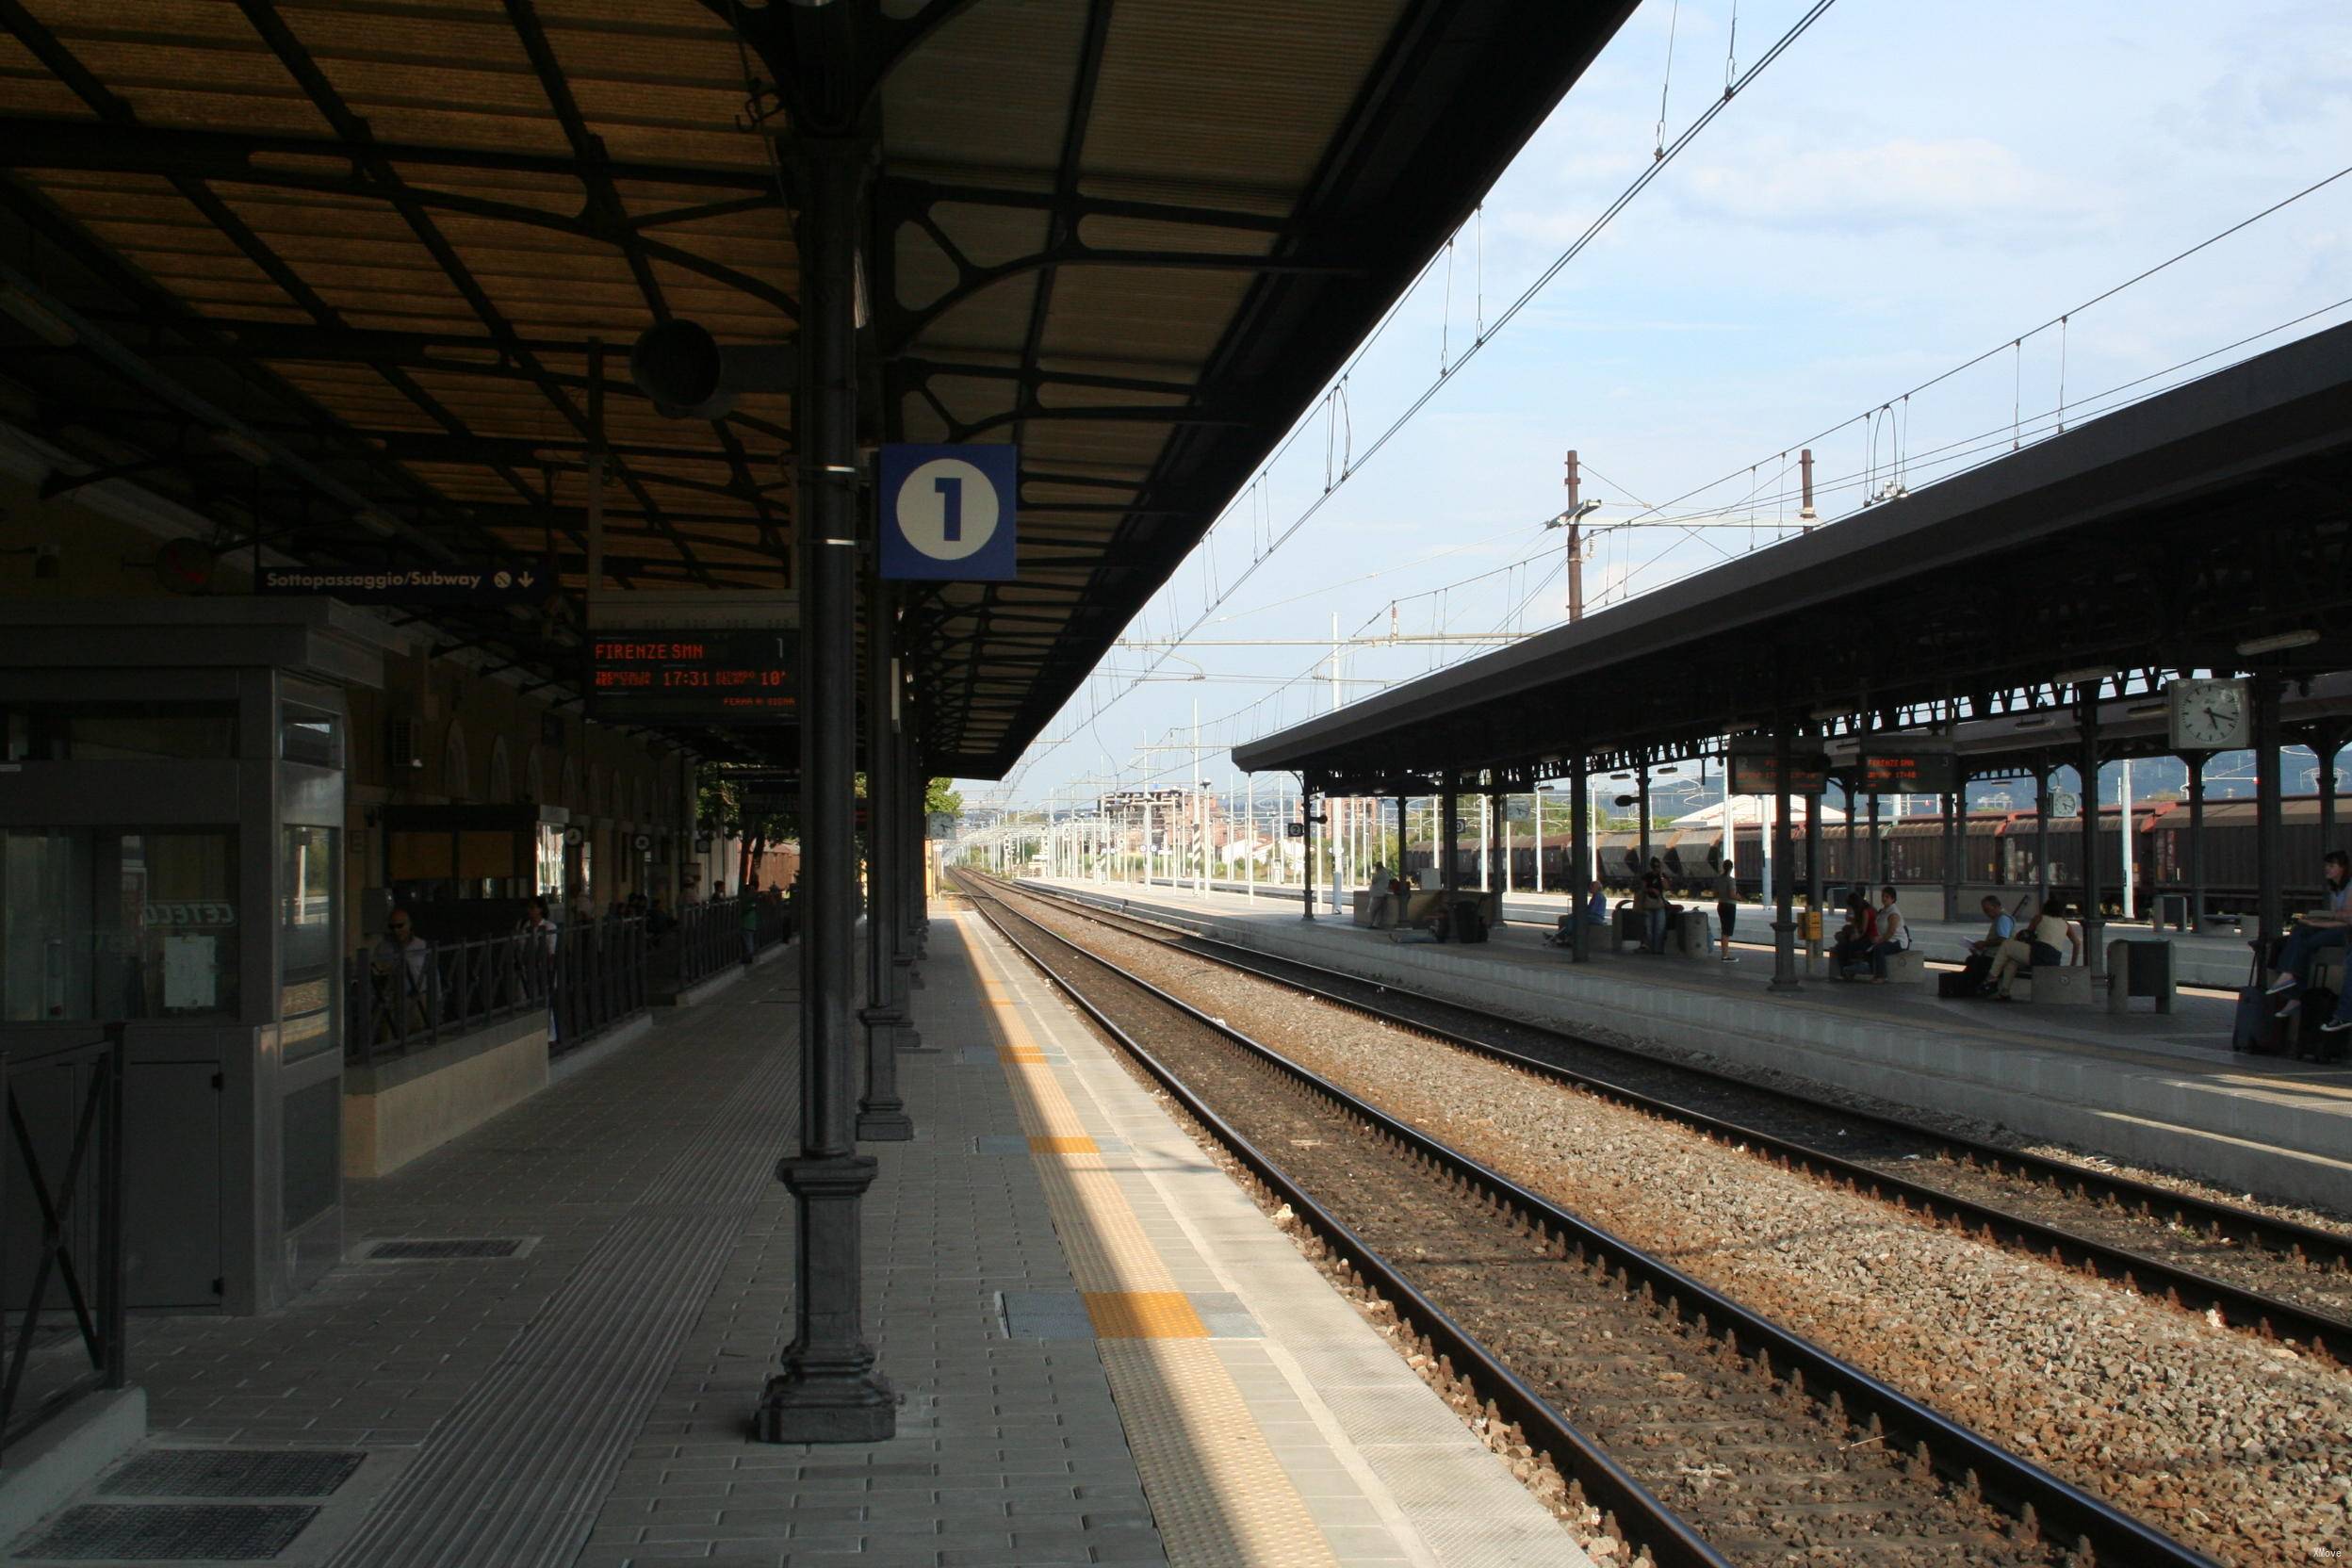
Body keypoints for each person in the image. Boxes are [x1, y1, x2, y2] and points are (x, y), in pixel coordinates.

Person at [2266, 849, 2352, 1018]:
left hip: (2347, 932)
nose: (2327, 869)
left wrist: (2319, 923)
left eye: (2332, 865)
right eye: (2326, 865)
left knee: (2309, 941)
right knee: (2301, 930)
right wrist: (2315, 922)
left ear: (2342, 867)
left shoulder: (2350, 887)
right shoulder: (2335, 889)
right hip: (2339, 927)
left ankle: (2293, 988)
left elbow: (2348, 919)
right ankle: (2289, 979)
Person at [1985, 897, 2077, 1000]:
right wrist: (2073, 964)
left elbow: (2026, 935)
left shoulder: (2039, 918)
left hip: (2038, 954)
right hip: (2054, 959)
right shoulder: (2066, 924)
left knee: (2007, 945)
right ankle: (2004, 992)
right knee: (2012, 960)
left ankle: (1991, 977)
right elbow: (2077, 943)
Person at [371, 906, 432, 1039]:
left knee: (418, 1036)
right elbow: (377, 972)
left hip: (417, 998)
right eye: (392, 927)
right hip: (393, 999)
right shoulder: (383, 948)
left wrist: (438, 1000)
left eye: (400, 926)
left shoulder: (422, 946)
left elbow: (432, 973)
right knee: (388, 1038)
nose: (396, 930)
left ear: (409, 925)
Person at [1832, 891, 1878, 978]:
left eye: (1851, 906)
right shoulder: (1869, 909)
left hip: (1869, 939)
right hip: (1869, 937)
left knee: (1842, 946)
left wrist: (1854, 936)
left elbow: (1863, 930)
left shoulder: (1865, 912)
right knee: (1842, 940)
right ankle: (1846, 969)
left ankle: (1845, 969)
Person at [1868, 886, 1906, 982]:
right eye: (1883, 896)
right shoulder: (1883, 911)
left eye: (1887, 897)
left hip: (1897, 941)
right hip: (1886, 939)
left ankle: (1882, 976)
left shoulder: (1893, 913)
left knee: (1879, 948)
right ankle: (1872, 971)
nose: (1884, 899)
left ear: (1893, 899)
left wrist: (1879, 940)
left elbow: (1891, 932)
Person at [1637, 858, 1669, 955]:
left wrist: (1661, 876)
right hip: (1648, 904)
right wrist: (1651, 890)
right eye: (1655, 867)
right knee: (1649, 928)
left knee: (1660, 928)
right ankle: (1649, 948)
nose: (1657, 868)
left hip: (1659, 905)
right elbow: (1643, 888)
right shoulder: (1647, 876)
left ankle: (1657, 949)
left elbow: (1666, 887)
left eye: (1658, 866)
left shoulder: (1663, 876)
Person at [1713, 859, 1740, 964]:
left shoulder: (1718, 880)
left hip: (1721, 905)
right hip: (1729, 906)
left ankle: (1725, 954)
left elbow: (1715, 894)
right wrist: (1739, 897)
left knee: (1724, 929)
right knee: (1727, 932)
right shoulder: (1731, 880)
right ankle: (1725, 955)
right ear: (1731, 868)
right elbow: (1732, 895)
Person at [740, 883, 762, 968]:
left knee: (749, 942)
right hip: (746, 924)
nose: (754, 892)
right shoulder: (746, 900)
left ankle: (748, 957)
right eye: (751, 890)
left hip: (751, 924)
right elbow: (744, 910)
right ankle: (747, 957)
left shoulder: (752, 900)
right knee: (748, 943)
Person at [1365, 862, 1392, 928]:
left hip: (1378, 894)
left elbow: (1373, 880)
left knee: (1373, 909)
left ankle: (1372, 923)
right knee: (1379, 910)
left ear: (1378, 867)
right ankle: (1375, 924)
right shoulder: (1384, 873)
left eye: (1376, 867)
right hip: (1382, 893)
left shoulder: (1380, 873)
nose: (1375, 868)